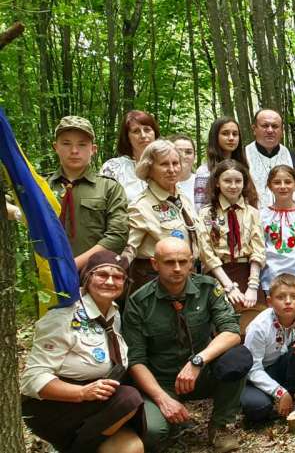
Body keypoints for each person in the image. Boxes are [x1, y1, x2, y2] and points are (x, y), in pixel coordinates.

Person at [122, 238, 249, 453]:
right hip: (162, 381)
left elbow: (232, 332)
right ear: (155, 264)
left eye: (183, 261)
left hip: (201, 374)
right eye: (169, 262)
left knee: (237, 358)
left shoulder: (208, 288)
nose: (177, 268)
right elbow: (135, 360)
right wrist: (162, 399)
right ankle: (172, 422)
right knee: (153, 434)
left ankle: (220, 425)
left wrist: (198, 361)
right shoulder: (139, 302)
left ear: (191, 262)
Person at [20, 251, 145, 453]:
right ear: (87, 278)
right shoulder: (63, 317)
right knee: (128, 397)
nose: (110, 281)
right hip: (55, 407)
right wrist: (82, 393)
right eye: (102, 275)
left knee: (131, 448)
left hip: (94, 406)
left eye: (118, 277)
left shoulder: (114, 313)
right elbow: (32, 379)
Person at [122, 140, 205, 296]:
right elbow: (128, 249)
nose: (172, 170)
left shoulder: (182, 198)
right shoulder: (141, 205)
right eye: (164, 164)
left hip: (187, 277)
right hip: (154, 284)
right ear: (149, 168)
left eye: (175, 163)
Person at [46, 115, 128, 270]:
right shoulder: (42, 187)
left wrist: (72, 266)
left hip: (94, 274)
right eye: (66, 143)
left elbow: (117, 236)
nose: (74, 151)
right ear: (55, 147)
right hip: (47, 273)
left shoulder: (109, 187)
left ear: (93, 149)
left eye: (82, 144)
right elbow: (9, 204)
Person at [197, 159, 267, 334]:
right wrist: (228, 287)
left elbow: (258, 249)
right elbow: (206, 253)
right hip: (218, 275)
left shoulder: (253, 213)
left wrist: (252, 286)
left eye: (238, 181)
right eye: (227, 181)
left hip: (247, 273)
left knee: (254, 326)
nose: (233, 186)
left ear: (244, 183)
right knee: (223, 328)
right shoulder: (206, 213)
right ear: (217, 183)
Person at [241, 273, 295, 424]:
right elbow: (252, 368)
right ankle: (278, 400)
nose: (288, 301)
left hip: (289, 370)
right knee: (256, 408)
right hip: (261, 374)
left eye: (294, 296)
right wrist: (279, 392)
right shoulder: (258, 327)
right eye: (281, 297)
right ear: (269, 301)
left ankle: (293, 397)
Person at [101, 110, 160, 202]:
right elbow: (101, 203)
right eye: (136, 131)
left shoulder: (167, 165)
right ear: (127, 138)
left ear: (155, 133)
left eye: (147, 130)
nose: (143, 135)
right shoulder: (113, 168)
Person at [245, 109, 295, 208]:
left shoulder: (294, 157)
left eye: (275, 126)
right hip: (252, 215)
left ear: (282, 130)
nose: (270, 130)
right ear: (254, 129)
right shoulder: (243, 156)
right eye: (265, 126)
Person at [195, 117, 250, 208]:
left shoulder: (244, 167)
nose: (231, 138)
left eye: (235, 134)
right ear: (215, 137)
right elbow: (200, 207)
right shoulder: (205, 171)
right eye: (225, 133)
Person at [166, 134, 198, 205]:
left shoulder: (202, 182)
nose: (183, 156)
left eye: (188, 152)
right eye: (178, 152)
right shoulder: (161, 183)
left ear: (194, 157)